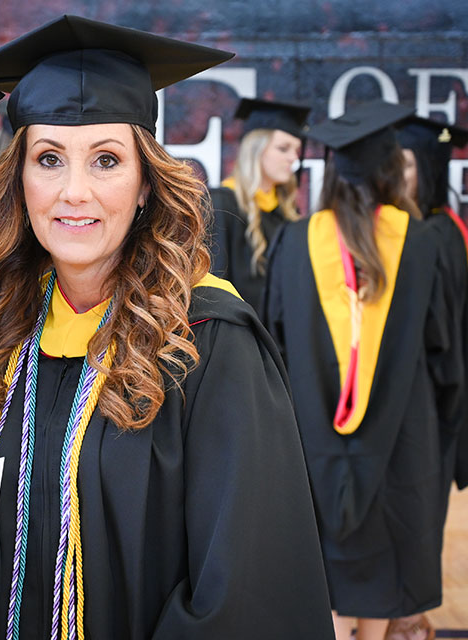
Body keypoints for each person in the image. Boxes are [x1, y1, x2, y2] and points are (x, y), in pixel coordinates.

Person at [0, 15, 335, 639]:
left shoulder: (207, 343)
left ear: (146, 184)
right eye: (49, 159)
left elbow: (241, 589)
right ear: (18, 181)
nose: (75, 192)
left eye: (106, 160)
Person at [263, 100, 466, 640]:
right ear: (388, 173)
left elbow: (275, 346)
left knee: (324, 576)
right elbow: (445, 353)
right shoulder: (423, 242)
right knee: (383, 575)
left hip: (314, 442)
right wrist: (449, 427)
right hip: (403, 444)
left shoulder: (295, 241)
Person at [388, 115, 468, 640]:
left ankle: (408, 620)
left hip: (433, 399)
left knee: (417, 512)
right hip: (435, 397)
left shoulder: (431, 236)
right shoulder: (447, 227)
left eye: (408, 164)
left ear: (430, 171)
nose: (397, 174)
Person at [208, 97, 310, 310]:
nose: (293, 158)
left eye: (296, 151)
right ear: (256, 150)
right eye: (283, 148)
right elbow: (214, 288)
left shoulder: (287, 213)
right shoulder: (221, 204)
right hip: (240, 335)